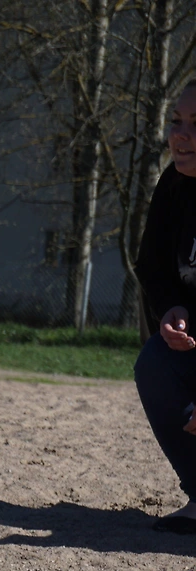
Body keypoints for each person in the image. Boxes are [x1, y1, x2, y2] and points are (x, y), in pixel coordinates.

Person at [134, 77, 196, 532]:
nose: (181, 134)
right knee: (155, 360)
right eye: (177, 121)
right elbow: (152, 265)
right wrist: (171, 307)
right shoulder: (173, 186)